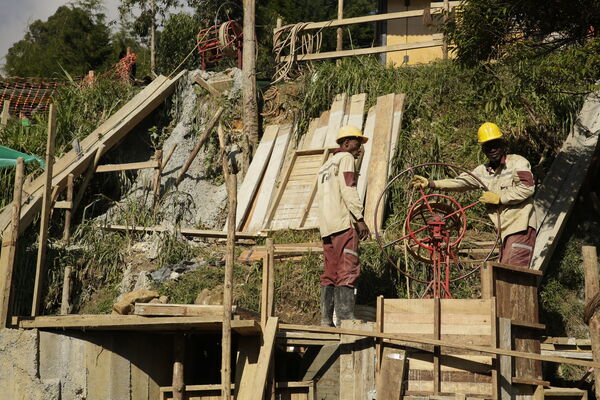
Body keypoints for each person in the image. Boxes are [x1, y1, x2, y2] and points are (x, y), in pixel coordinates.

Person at [410, 122, 537, 267]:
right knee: (505, 272)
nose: (493, 149)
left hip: (521, 226)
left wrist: (500, 198)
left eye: (495, 144)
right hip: (505, 231)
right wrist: (431, 183)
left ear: (503, 145)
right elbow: (460, 182)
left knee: (513, 272)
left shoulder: (517, 163)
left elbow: (527, 188)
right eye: (488, 146)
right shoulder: (482, 171)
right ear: (483, 150)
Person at [317, 125, 370, 326]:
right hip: (343, 223)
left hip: (327, 227)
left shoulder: (325, 165)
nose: (359, 150)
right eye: (357, 145)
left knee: (330, 272)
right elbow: (349, 189)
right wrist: (359, 218)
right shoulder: (346, 159)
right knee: (349, 268)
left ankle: (326, 320)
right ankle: (346, 317)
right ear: (346, 143)